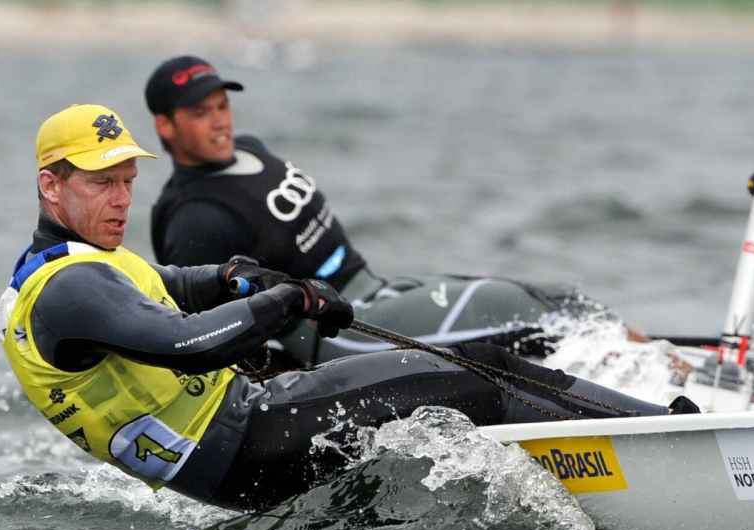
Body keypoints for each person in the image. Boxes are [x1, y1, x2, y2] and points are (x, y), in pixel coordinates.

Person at [0, 104, 695, 512]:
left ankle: (610, 467)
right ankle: (667, 450)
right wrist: (287, 299)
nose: (121, 200)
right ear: (51, 187)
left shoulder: (79, 263)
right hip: (248, 444)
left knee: (455, 398)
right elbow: (185, 343)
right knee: (479, 370)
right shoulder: (69, 290)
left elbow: (168, 284)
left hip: (243, 448)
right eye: (101, 185)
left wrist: (232, 274)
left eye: (126, 182)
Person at [144, 55, 632, 369]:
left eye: (222, 105)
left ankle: (655, 363)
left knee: (554, 297)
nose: (219, 122)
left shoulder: (249, 149)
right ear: (165, 127)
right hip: (342, 334)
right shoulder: (194, 217)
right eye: (200, 113)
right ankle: (637, 376)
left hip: (376, 287)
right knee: (519, 309)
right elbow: (214, 339)